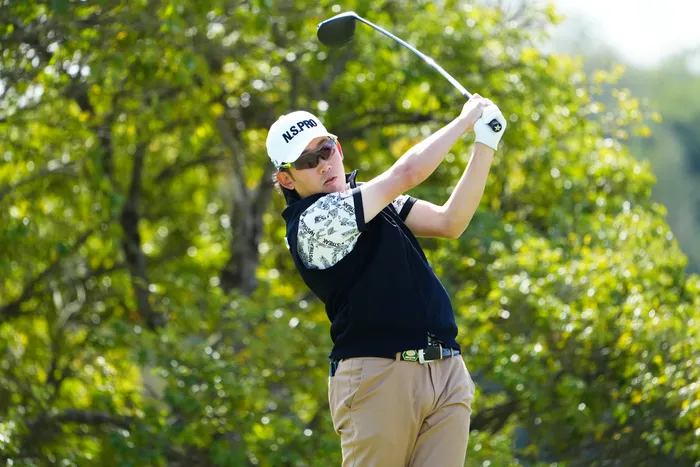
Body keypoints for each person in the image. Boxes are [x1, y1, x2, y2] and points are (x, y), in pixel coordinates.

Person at [266, 95, 507, 467]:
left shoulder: (368, 200)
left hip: (444, 369)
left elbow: (449, 222)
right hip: (377, 376)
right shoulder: (312, 222)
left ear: (337, 148)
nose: (323, 164)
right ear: (287, 178)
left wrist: (485, 142)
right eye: (307, 162)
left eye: (325, 150)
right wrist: (464, 120)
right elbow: (405, 173)